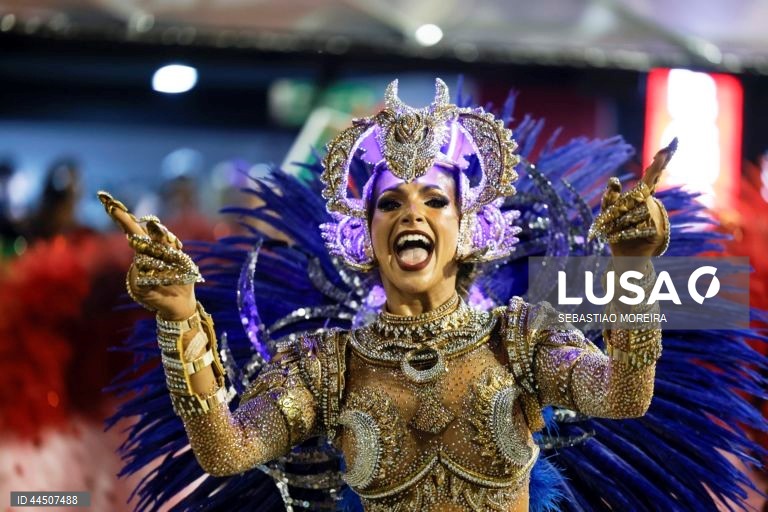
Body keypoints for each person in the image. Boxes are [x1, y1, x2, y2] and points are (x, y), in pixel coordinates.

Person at [99, 79, 674, 511]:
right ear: (367, 232)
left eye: (434, 200)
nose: (412, 214)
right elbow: (224, 452)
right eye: (391, 203)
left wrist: (634, 264)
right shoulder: (328, 366)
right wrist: (178, 321)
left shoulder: (521, 339)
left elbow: (625, 395)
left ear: (466, 225)